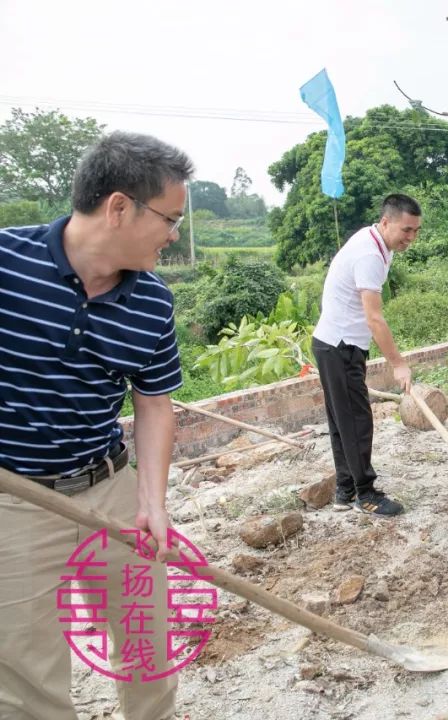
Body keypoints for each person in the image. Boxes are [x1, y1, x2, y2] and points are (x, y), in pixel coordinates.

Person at [0, 131, 191, 719]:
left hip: (111, 490)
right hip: (16, 501)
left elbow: (154, 402)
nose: (175, 233)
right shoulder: (7, 266)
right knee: (28, 678)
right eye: (169, 218)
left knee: (148, 648)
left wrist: (151, 502)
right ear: (117, 208)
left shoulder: (153, 301)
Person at [312, 194, 422, 516]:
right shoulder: (370, 255)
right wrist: (398, 364)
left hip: (334, 343)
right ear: (386, 222)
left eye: (416, 231)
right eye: (406, 230)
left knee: (342, 421)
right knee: (357, 420)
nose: (411, 238)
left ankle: (345, 490)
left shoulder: (375, 241)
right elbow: (375, 318)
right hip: (340, 345)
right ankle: (366, 494)